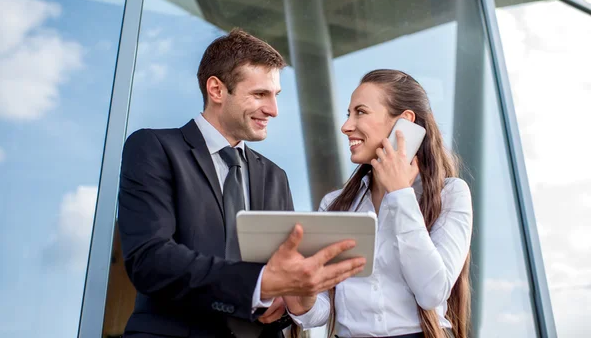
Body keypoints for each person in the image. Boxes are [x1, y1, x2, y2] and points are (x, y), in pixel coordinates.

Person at [117, 29, 366, 338]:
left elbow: (278, 295)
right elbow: (150, 260)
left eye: (275, 95)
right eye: (260, 94)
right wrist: (259, 285)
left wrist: (286, 299)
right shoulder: (154, 148)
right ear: (217, 90)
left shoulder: (275, 177)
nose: (273, 110)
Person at [284, 69, 473, 338]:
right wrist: (299, 297)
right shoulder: (335, 205)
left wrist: (400, 195)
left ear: (404, 123)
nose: (346, 126)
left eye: (360, 112)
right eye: (348, 114)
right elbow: (320, 312)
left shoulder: (451, 194)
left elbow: (432, 292)